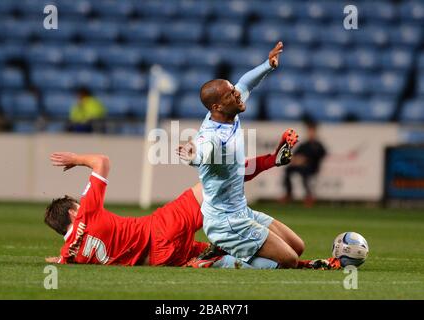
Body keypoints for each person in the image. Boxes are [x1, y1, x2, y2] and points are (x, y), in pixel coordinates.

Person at [44, 130, 341, 269]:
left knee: (235, 259)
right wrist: (77, 159)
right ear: (72, 212)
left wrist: (57, 258)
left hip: (163, 260)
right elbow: (102, 161)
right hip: (159, 228)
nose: (80, 206)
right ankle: (270, 161)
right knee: (215, 182)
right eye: (77, 205)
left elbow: (59, 258)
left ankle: (304, 265)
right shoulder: (87, 213)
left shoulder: (71, 253)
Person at [185, 41, 308, 269]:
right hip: (225, 222)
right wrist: (193, 156)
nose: (237, 95)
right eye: (231, 95)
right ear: (217, 107)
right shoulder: (212, 136)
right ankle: (217, 260)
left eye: (233, 91)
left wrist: (267, 65)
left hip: (240, 211)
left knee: (297, 247)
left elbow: (245, 82)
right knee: (290, 261)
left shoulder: (229, 111)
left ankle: (226, 249)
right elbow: (203, 151)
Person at [282, 120, 327, 207]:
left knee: (304, 174)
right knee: (288, 170)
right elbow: (294, 156)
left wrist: (305, 160)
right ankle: (289, 194)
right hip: (301, 167)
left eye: (312, 131)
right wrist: (296, 160)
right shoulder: (304, 145)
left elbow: (320, 156)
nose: (310, 133)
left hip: (312, 168)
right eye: (309, 131)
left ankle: (309, 196)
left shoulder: (318, 145)